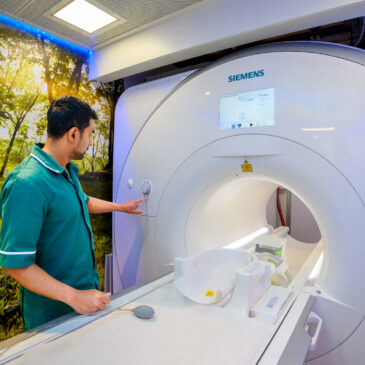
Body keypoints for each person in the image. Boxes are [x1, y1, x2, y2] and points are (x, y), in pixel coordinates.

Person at [0, 95, 145, 330]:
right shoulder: (26, 183)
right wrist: (74, 297)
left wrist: (120, 207)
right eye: (90, 134)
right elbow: (15, 264)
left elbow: (81, 201)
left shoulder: (67, 169)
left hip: (81, 302)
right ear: (74, 134)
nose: (90, 142)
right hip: (52, 316)